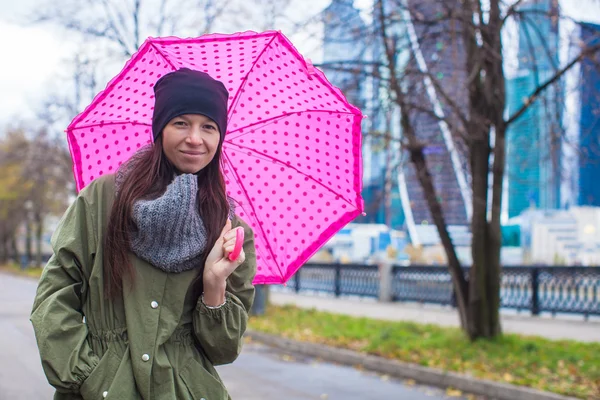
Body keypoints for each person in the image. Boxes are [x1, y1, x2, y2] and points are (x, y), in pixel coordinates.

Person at [31, 68, 256, 400]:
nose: (196, 138)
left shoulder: (230, 230)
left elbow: (223, 350)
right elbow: (56, 292)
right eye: (181, 122)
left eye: (208, 127)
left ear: (219, 137)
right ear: (160, 129)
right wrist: (87, 375)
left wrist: (214, 285)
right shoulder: (103, 199)